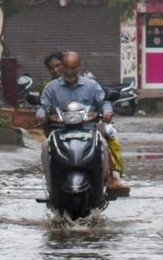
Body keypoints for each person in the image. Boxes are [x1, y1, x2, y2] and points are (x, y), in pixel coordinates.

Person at [36, 51, 126, 191]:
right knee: (46, 146)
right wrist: (41, 115)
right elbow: (43, 105)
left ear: (79, 68)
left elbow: (103, 101)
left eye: (74, 68)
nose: (70, 72)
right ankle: (50, 186)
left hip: (89, 129)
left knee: (105, 140)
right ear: (62, 68)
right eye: (67, 68)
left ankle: (111, 177)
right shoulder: (51, 88)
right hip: (60, 130)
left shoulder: (92, 85)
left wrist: (107, 111)